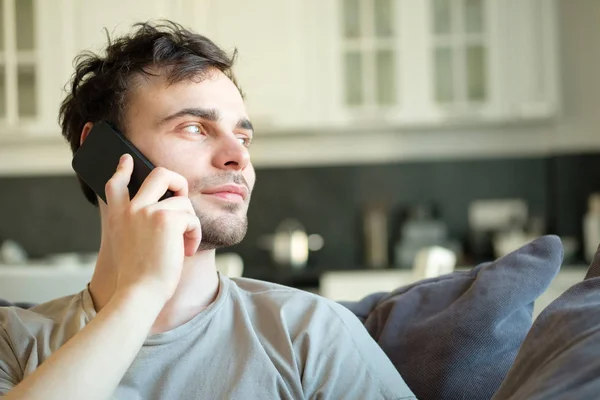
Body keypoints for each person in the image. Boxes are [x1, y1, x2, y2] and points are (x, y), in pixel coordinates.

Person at [0, 21, 415, 399]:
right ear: (102, 152)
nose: (238, 157)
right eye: (195, 128)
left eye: (243, 137)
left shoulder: (311, 333)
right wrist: (141, 294)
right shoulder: (14, 344)